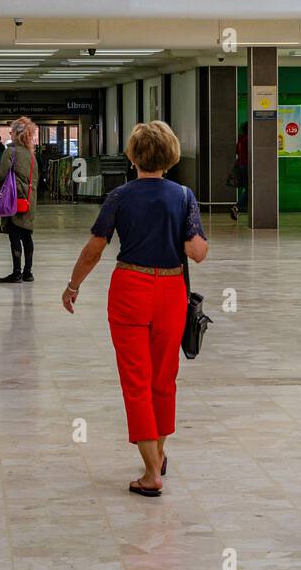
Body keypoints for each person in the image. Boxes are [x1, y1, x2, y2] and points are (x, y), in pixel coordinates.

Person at [62, 122, 208, 496]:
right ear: (171, 155)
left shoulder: (119, 197)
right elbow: (197, 252)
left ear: (132, 156)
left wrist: (73, 285)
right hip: (171, 289)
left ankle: (151, 474)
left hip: (130, 287)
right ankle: (157, 453)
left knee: (136, 380)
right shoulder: (184, 196)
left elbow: (94, 249)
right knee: (164, 377)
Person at [0, 118, 37, 284]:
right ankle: (28, 272)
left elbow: (1, 174)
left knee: (14, 234)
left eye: (12, 131)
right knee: (27, 235)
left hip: (14, 199)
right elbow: (36, 179)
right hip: (29, 200)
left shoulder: (10, 151)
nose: (10, 134)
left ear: (17, 134)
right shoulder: (31, 155)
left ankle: (16, 273)